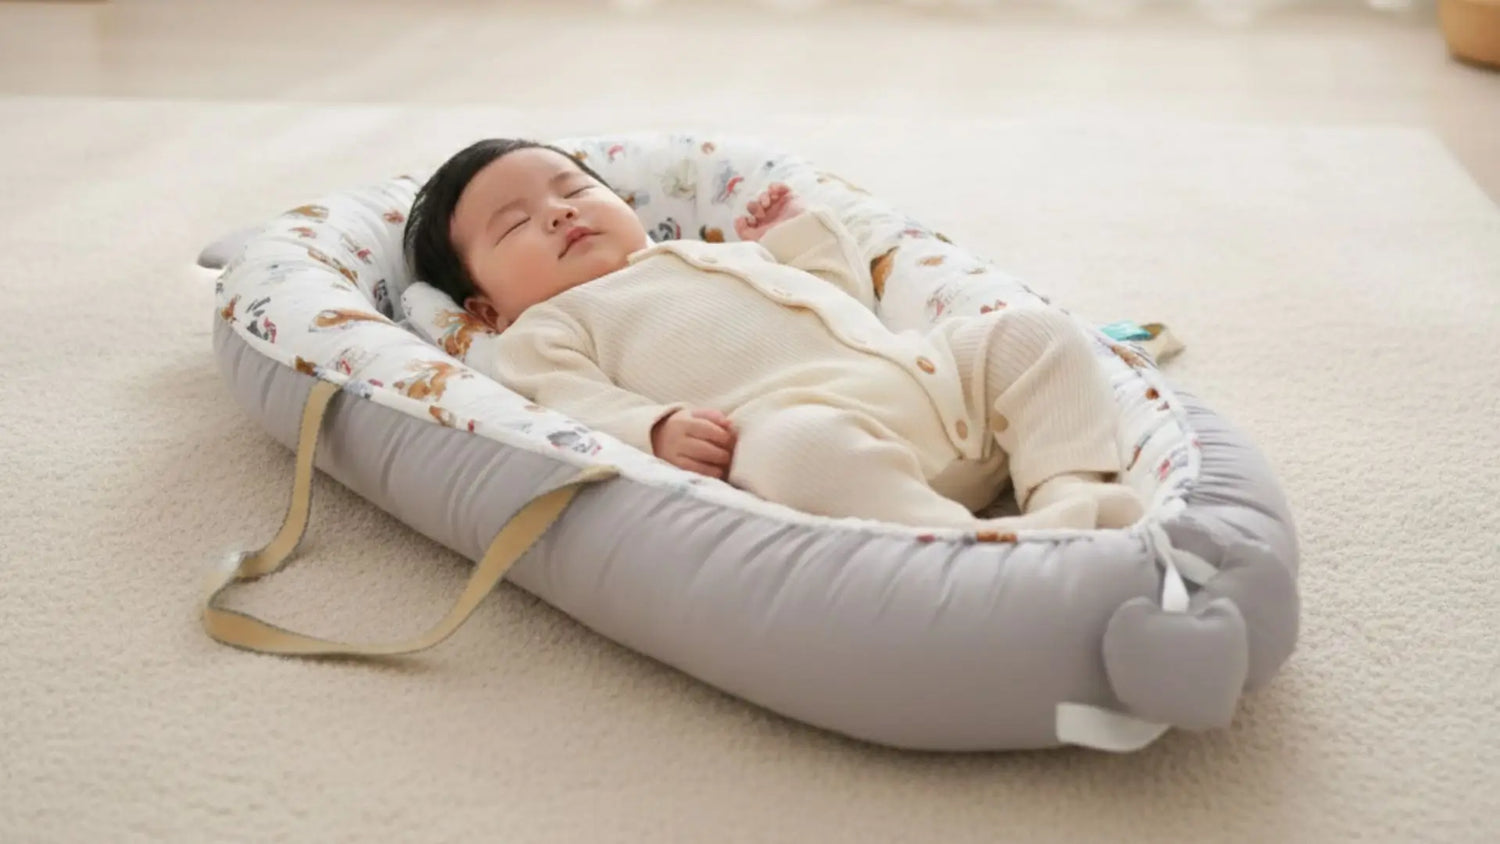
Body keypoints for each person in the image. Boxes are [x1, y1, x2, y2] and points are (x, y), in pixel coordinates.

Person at [403, 139, 1145, 531]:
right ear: (487, 311)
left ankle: (1070, 494)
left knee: (1029, 333)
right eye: (517, 224)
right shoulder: (546, 328)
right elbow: (569, 409)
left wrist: (796, 238)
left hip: (929, 383)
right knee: (790, 449)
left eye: (576, 192)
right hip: (822, 438)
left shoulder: (704, 253)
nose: (560, 214)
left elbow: (842, 302)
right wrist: (652, 428)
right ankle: (962, 543)